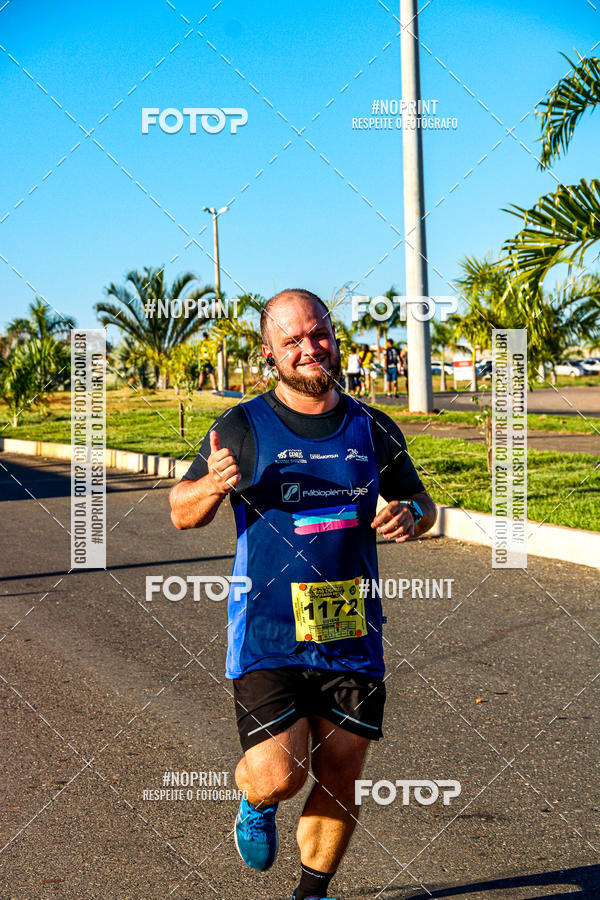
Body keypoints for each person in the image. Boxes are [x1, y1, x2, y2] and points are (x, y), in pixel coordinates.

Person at [169, 289, 436, 900]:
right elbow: (181, 514)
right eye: (292, 341)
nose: (309, 349)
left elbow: (423, 505)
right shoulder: (241, 425)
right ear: (271, 353)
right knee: (281, 774)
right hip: (268, 631)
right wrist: (211, 485)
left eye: (317, 335)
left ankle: (311, 893)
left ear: (334, 338)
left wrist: (411, 517)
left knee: (341, 773)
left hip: (348, 627)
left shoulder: (373, 427)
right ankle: (254, 799)